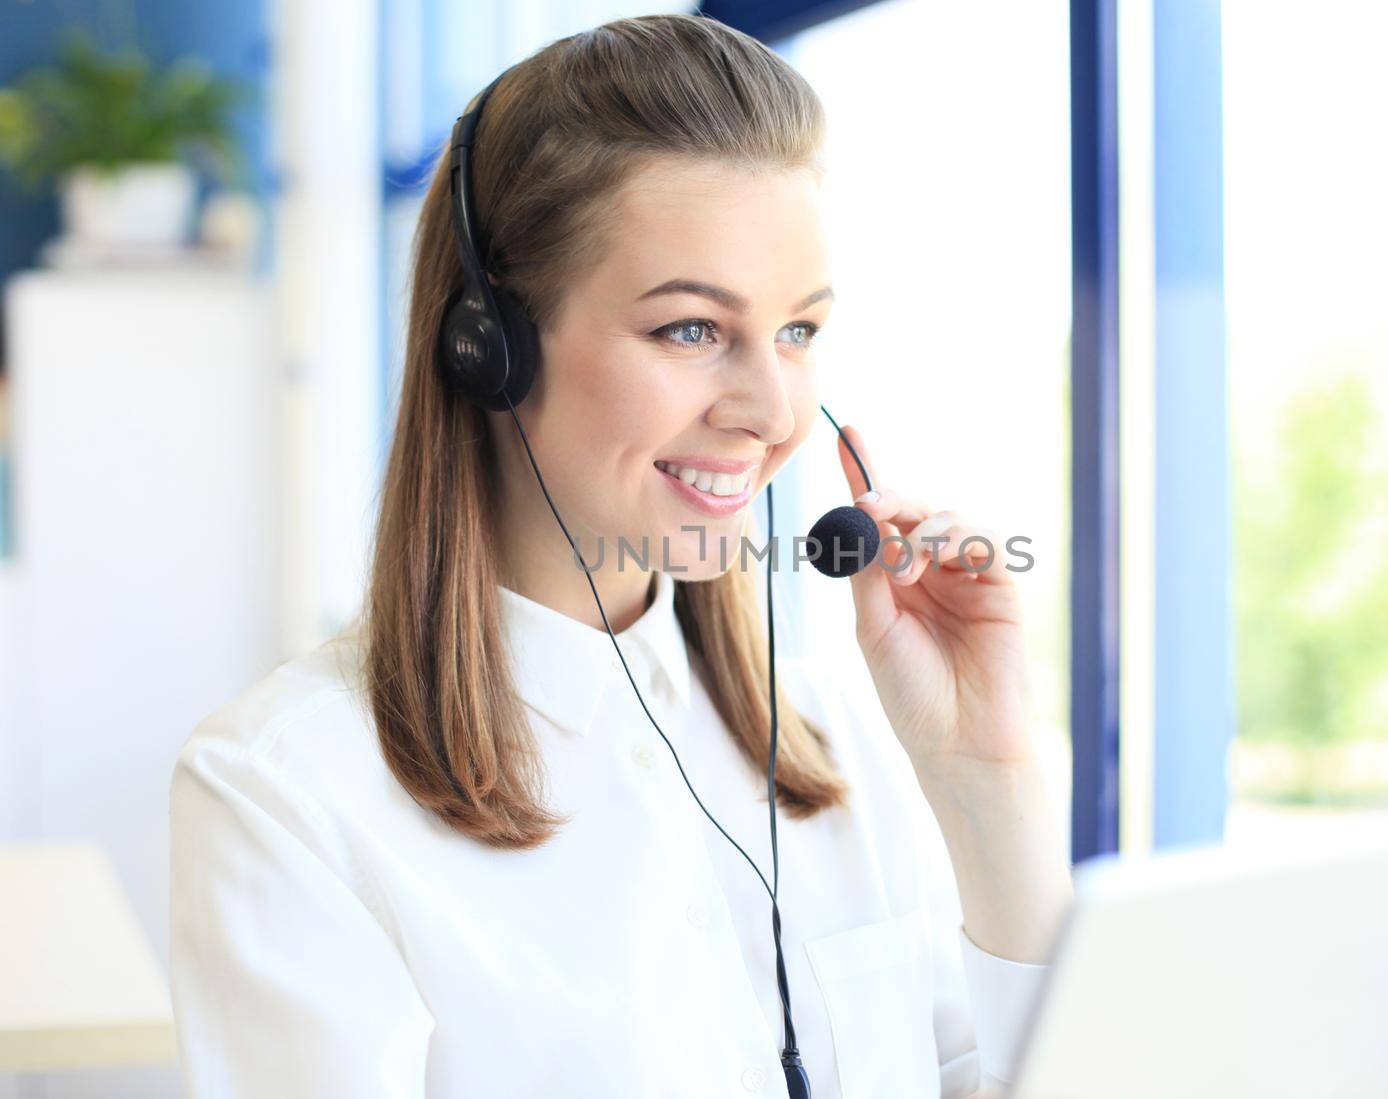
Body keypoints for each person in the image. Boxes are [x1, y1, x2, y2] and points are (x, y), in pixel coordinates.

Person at [168, 13, 1071, 1098]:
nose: (772, 412)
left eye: (798, 333)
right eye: (690, 329)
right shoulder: (288, 794)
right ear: (488, 346)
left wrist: (990, 787)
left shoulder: (829, 739)